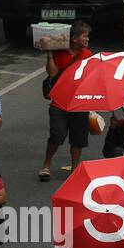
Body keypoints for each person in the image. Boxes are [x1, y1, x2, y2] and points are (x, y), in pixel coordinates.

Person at [39, 21, 92, 182]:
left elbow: (90, 78)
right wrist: (49, 54)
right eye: (85, 36)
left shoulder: (88, 55)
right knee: (57, 135)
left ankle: (75, 168)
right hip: (59, 103)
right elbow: (52, 73)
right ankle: (46, 165)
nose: (87, 39)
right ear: (74, 38)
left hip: (79, 103)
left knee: (78, 138)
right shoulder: (58, 52)